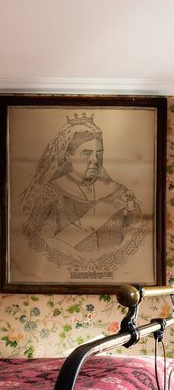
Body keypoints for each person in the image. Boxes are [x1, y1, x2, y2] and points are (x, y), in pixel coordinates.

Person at [20, 113, 145, 274]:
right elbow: (38, 243)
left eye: (99, 153)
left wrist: (131, 210)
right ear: (68, 156)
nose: (95, 160)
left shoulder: (117, 190)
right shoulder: (51, 193)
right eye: (86, 153)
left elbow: (134, 232)